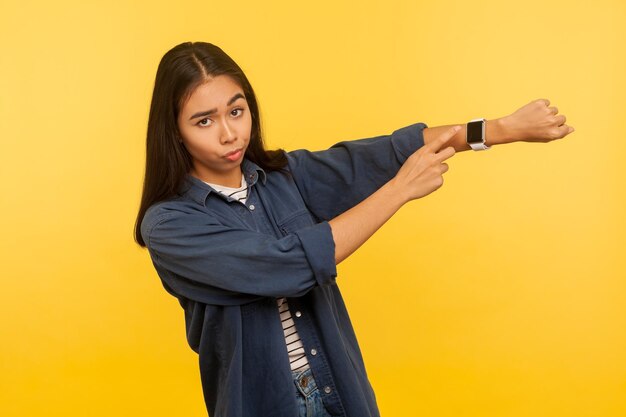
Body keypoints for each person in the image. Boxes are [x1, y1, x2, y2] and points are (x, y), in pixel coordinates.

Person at [134, 41, 574, 417]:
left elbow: (384, 153)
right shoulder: (170, 225)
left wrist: (500, 129)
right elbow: (286, 267)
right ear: (174, 131)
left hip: (339, 387)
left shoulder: (286, 175)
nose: (230, 133)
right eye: (205, 120)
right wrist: (399, 191)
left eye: (237, 110)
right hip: (264, 402)